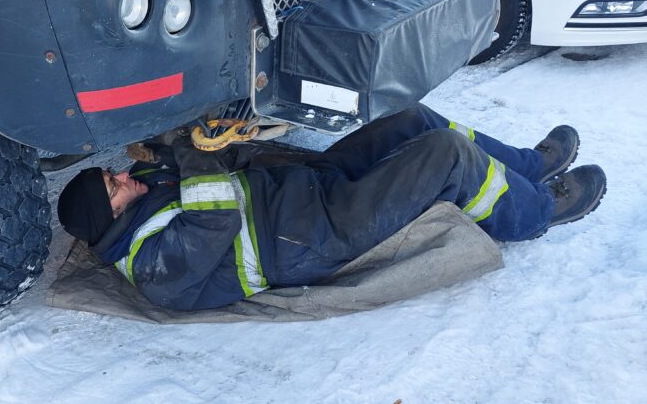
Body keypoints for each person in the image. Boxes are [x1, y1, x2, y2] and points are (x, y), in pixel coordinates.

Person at [56, 104, 606, 311]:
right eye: (115, 183)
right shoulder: (154, 269)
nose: (124, 176)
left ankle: (528, 168)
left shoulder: (140, 199)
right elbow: (216, 213)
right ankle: (535, 213)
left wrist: (183, 139)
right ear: (111, 218)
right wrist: (189, 149)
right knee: (446, 156)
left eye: (114, 171)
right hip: (315, 233)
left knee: (411, 120)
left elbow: (182, 163)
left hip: (299, 188)